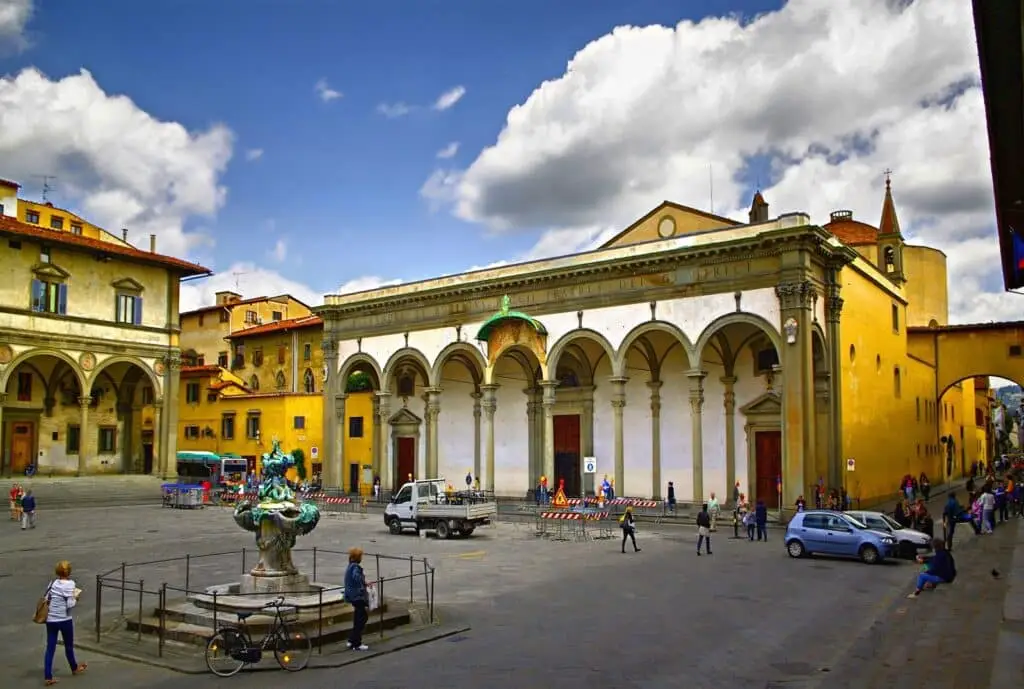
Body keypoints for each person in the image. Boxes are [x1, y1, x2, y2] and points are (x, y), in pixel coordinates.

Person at [43, 560, 87, 685]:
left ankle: (48, 676)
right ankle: (74, 668)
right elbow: (69, 604)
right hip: (64, 620)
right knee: (68, 646)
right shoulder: (70, 584)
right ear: (69, 572)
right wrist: (76, 598)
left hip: (51, 619)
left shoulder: (53, 583)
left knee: (50, 648)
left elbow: (47, 599)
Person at [344, 547, 370, 651]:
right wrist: (363, 584)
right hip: (357, 596)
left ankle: (351, 640)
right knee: (362, 618)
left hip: (351, 595)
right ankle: (356, 643)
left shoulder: (350, 566)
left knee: (358, 618)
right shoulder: (355, 567)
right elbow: (356, 577)